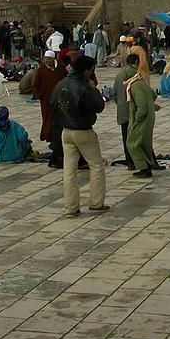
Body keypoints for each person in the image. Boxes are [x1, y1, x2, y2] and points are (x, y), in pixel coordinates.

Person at [50, 55, 108, 217]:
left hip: (66, 131)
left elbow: (53, 104)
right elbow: (99, 106)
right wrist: (93, 89)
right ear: (86, 70)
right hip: (83, 130)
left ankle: (71, 207)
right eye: (92, 70)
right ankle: (96, 203)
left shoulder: (62, 84)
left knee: (69, 170)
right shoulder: (83, 86)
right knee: (96, 165)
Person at [122, 54, 158, 178]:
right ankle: (147, 166)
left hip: (142, 119)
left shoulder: (135, 86)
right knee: (143, 143)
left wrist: (137, 119)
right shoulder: (140, 82)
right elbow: (153, 95)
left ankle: (144, 167)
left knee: (132, 143)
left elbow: (141, 105)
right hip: (149, 118)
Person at [33, 50, 67, 168]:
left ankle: (57, 142)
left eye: (49, 59)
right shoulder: (42, 69)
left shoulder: (61, 68)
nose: (47, 61)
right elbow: (36, 84)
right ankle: (50, 137)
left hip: (59, 100)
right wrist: (39, 95)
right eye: (45, 59)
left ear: (53, 59)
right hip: (47, 101)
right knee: (48, 119)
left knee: (59, 121)